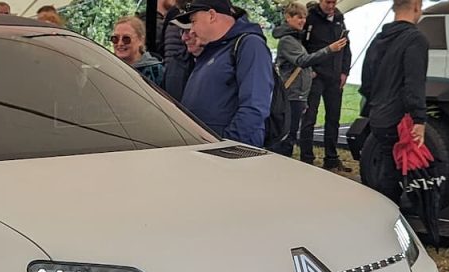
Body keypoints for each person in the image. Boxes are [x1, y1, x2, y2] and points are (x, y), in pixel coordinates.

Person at [171, 0, 273, 147]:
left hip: (228, 156)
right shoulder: (212, 50)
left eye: (194, 22)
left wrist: (227, 144)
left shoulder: (249, 45)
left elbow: (255, 106)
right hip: (205, 150)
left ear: (211, 15)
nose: (191, 30)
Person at [359, 0, 429, 203]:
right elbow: (414, 81)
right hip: (398, 117)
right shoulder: (415, 39)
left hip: (377, 113)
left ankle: (381, 209)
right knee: (394, 172)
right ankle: (388, 217)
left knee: (386, 164)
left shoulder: (379, 39)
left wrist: (375, 103)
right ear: (416, 5)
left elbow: (366, 81)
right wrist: (419, 119)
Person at [272, 2, 348, 157]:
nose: (302, 21)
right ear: (288, 18)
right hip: (294, 93)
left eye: (304, 18)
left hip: (302, 91)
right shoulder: (289, 39)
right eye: (299, 17)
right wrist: (329, 50)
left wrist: (310, 72)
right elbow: (302, 60)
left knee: (292, 132)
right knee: (290, 132)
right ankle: (299, 158)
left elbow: (302, 61)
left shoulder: (297, 38)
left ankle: (327, 157)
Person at [298, 0, 353, 170]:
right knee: (309, 118)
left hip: (335, 77)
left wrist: (345, 71)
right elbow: (302, 47)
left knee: (333, 119)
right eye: (328, 2)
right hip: (316, 76)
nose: (331, 6)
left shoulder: (338, 18)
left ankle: (331, 158)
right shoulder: (310, 18)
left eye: (333, 2)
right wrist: (310, 70)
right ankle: (307, 158)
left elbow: (346, 47)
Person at [111, 16, 165, 86]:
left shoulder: (156, 72)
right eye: (115, 38)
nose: (120, 43)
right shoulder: (107, 67)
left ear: (141, 40)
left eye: (126, 38)